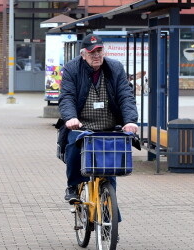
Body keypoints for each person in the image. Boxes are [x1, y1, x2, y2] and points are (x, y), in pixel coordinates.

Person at [58, 33, 139, 203]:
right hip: (81, 126)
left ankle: (109, 211)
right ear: (83, 54)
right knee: (74, 144)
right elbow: (67, 97)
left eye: (99, 51)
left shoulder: (115, 68)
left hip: (109, 126)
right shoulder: (72, 69)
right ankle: (73, 186)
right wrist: (71, 118)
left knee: (110, 168)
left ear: (104, 51)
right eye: (91, 52)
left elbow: (125, 95)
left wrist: (130, 120)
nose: (96, 55)